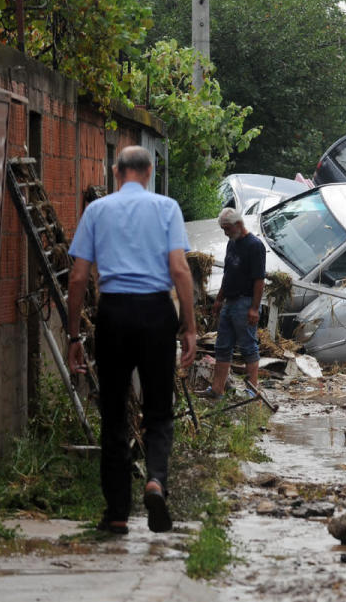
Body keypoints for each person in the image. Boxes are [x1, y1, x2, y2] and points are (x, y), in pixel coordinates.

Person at [67, 146, 197, 535]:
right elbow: (180, 269)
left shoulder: (96, 210)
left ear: (116, 171)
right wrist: (189, 326)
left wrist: (74, 334)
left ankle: (117, 513)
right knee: (159, 409)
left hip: (114, 315)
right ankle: (156, 479)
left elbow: (76, 278)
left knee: (114, 414)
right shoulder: (167, 208)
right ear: (149, 171)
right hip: (157, 314)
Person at [197, 207, 265, 399]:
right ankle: (217, 390)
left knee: (248, 346)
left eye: (227, 228)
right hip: (230, 301)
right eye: (224, 229)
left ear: (238, 224)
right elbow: (228, 274)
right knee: (222, 346)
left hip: (245, 302)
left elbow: (259, 280)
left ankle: (252, 390)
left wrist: (254, 308)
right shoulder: (232, 243)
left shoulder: (254, 246)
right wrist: (219, 299)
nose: (226, 233)